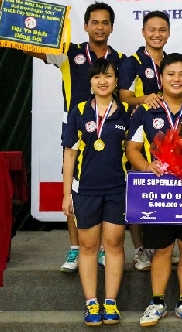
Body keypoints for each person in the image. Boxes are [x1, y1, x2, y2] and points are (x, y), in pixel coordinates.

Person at [15, 0, 125, 272]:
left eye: (105, 23)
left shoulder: (121, 60)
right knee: (74, 186)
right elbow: (32, 49)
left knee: (109, 186)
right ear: (86, 26)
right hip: (76, 129)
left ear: (112, 28)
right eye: (94, 22)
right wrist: (21, 12)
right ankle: (75, 248)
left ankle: (102, 249)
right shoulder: (69, 53)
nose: (100, 27)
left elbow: (127, 96)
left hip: (110, 131)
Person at [126, 53, 182, 327]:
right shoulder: (146, 111)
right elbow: (132, 149)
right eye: (171, 74)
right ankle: (157, 303)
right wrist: (147, 166)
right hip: (159, 191)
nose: (177, 79)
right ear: (161, 78)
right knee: (161, 248)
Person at [62, 58, 129, 325]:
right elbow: (70, 154)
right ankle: (91, 303)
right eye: (97, 77)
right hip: (85, 190)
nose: (103, 81)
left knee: (114, 244)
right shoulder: (78, 111)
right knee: (88, 246)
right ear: (90, 81)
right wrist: (66, 194)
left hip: (117, 189)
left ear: (116, 81)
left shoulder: (125, 112)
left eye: (108, 76)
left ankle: (110, 302)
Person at [119, 10, 171, 271]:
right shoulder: (133, 62)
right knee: (140, 192)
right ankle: (140, 250)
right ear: (143, 32)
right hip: (140, 133)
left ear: (168, 33)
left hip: (167, 135)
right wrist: (145, 99)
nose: (157, 34)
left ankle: (161, 247)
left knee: (166, 192)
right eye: (152, 29)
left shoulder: (171, 61)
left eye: (162, 30)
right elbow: (124, 96)